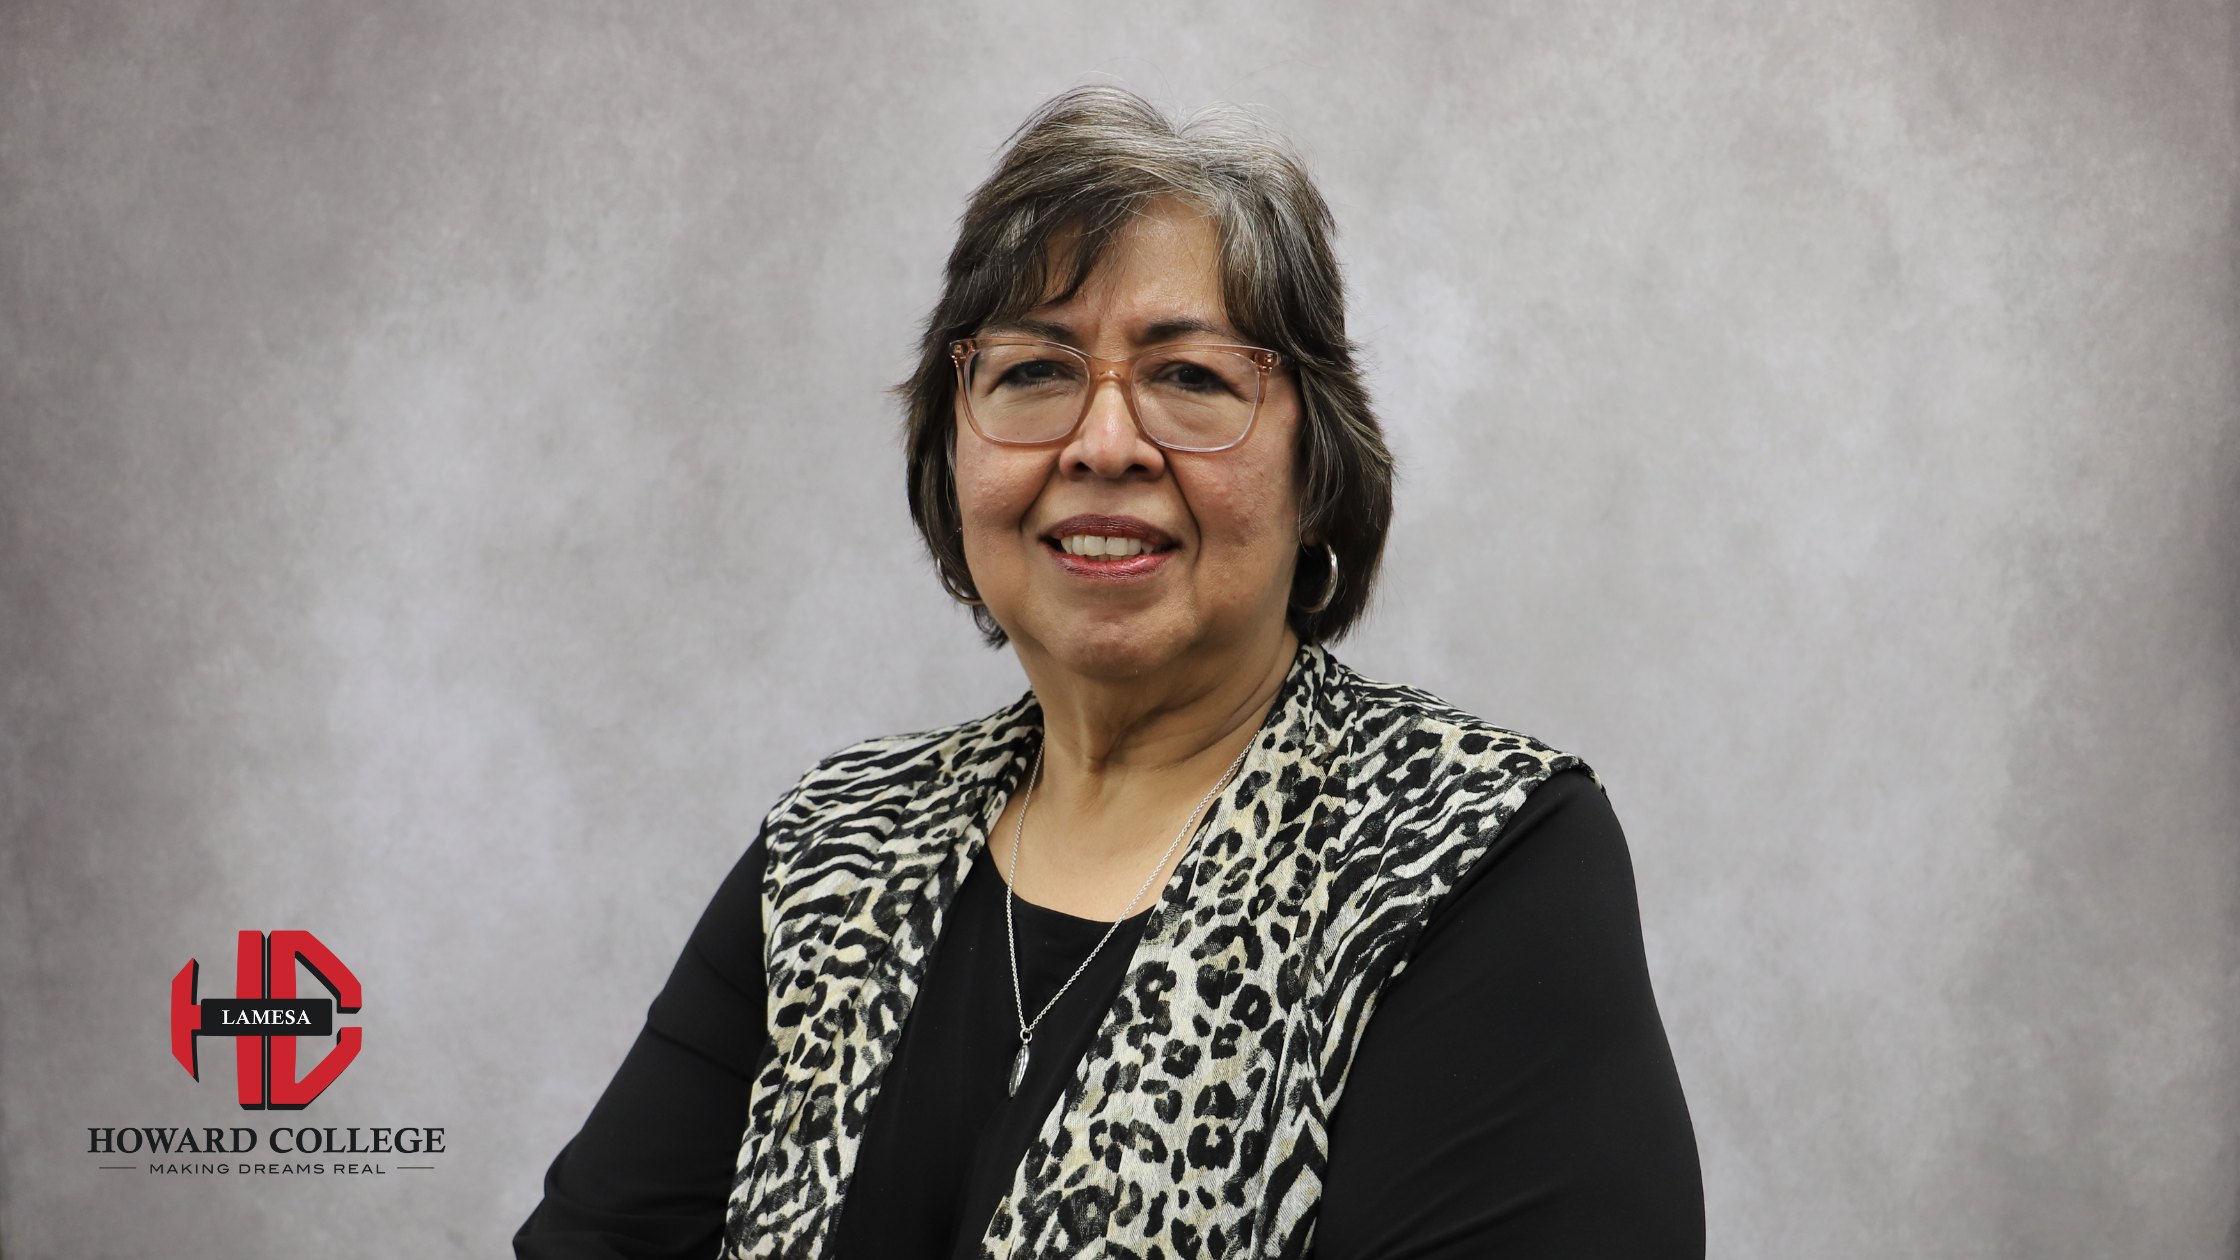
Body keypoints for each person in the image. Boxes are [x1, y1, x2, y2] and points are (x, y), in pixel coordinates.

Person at [515, 84, 1704, 1259]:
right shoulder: (832, 847)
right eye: (1033, 371)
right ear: (952, 444)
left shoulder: (1473, 851)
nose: (1101, 443)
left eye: (1189, 378)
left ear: (1317, 464)